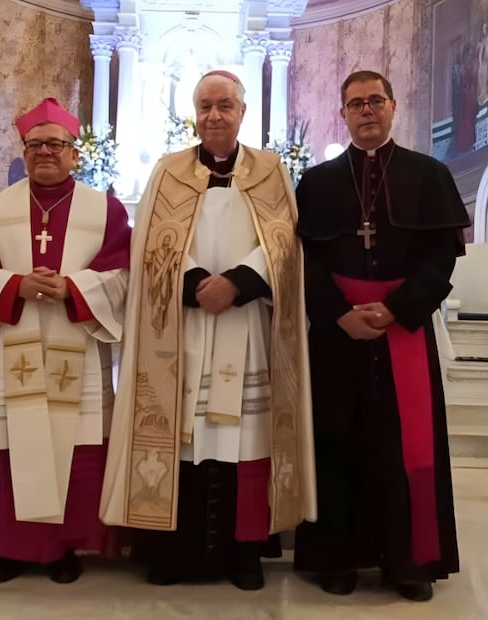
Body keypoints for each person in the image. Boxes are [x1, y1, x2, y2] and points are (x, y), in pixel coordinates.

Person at [100, 70, 316, 591]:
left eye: (225, 105)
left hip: (246, 328)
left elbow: (285, 242)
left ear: (243, 112)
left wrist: (241, 282)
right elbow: (150, 242)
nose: (214, 115)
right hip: (184, 331)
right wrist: (197, 282)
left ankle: (242, 556)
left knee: (245, 441)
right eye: (205, 106)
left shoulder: (270, 172)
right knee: (184, 442)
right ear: (193, 113)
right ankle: (175, 554)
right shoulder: (169, 171)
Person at [293, 70, 468, 602]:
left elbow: (441, 259)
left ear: (393, 106)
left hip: (403, 330)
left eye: (375, 101)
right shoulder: (318, 182)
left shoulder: (429, 174)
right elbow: (304, 260)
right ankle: (336, 558)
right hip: (338, 334)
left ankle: (409, 563)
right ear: (342, 114)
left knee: (405, 446)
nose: (366, 110)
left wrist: (396, 309)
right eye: (355, 104)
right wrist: (335, 314)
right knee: (335, 440)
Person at [0, 97, 130, 584]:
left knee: (74, 448)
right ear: (24, 152)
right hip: (16, 346)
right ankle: (12, 548)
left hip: (77, 346)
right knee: (12, 443)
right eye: (36, 145)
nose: (46, 153)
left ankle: (63, 549)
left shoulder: (105, 209)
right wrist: (17, 286)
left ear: (75, 153)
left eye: (57, 145)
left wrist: (73, 288)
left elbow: (122, 270)